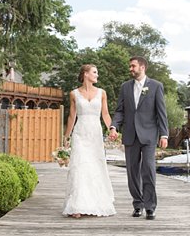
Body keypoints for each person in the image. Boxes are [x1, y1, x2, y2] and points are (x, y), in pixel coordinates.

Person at [109, 56, 169, 220]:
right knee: (132, 172)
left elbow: (161, 112)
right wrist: (114, 126)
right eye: (130, 66)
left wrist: (164, 134)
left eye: (133, 66)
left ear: (142, 67)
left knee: (148, 170)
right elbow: (120, 110)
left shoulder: (156, 86)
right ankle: (138, 204)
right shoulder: (125, 87)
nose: (130, 69)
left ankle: (150, 207)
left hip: (149, 135)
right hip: (130, 134)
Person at [62, 64, 116, 218]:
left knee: (95, 166)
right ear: (85, 74)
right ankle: (77, 206)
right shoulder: (74, 94)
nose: (97, 75)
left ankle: (96, 202)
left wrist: (112, 129)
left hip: (95, 133)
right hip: (80, 133)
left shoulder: (102, 93)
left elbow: (105, 114)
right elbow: (72, 117)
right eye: (94, 72)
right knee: (79, 167)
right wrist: (66, 137)